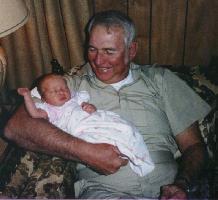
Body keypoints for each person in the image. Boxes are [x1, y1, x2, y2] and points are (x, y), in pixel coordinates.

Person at [4, 10, 211, 199]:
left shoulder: (161, 80)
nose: (98, 60)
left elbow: (194, 146)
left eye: (109, 51)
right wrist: (85, 151)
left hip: (167, 189)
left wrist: (182, 184)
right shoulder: (69, 86)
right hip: (104, 192)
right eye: (92, 49)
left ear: (131, 50)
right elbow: (15, 127)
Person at [17, 73, 154, 177]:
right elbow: (34, 114)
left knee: (124, 127)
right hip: (80, 132)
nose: (61, 92)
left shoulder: (76, 99)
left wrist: (90, 108)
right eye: (54, 91)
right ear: (44, 98)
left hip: (94, 121)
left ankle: (134, 152)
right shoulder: (49, 110)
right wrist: (27, 96)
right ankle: (123, 153)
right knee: (98, 141)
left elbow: (91, 109)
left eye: (64, 88)